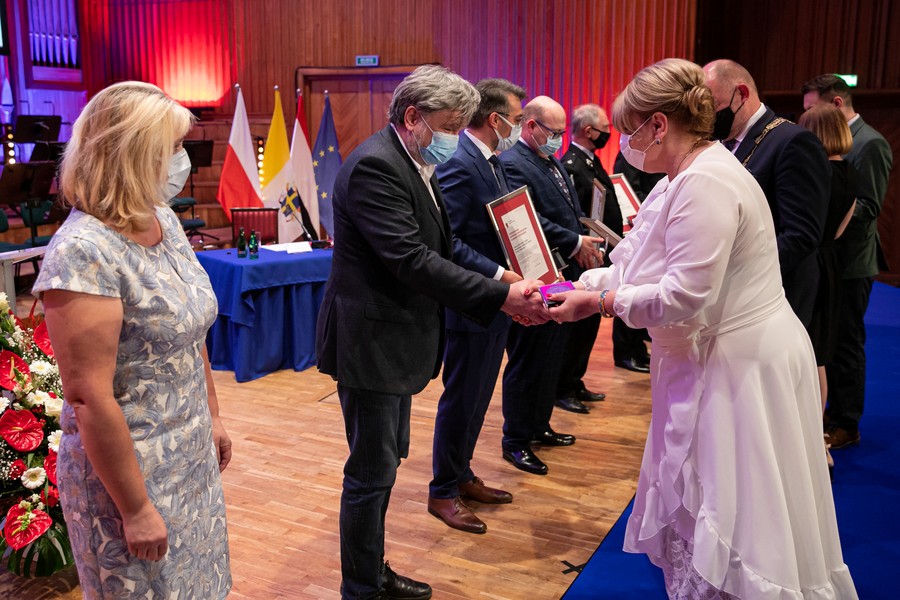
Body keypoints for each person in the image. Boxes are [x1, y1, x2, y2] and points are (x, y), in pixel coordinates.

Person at [548, 58, 857, 599]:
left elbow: (683, 295)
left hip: (738, 362)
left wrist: (597, 302)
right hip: (710, 355)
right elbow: (638, 260)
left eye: (629, 131)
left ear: (658, 125)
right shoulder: (680, 178)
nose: (626, 144)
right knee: (707, 504)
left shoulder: (705, 181)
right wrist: (568, 284)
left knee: (742, 514)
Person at [315, 65, 548, 600]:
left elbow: (446, 246)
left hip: (395, 341)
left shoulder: (416, 159)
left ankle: (371, 572)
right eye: (448, 126)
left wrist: (503, 277)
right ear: (413, 116)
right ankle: (362, 588)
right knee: (370, 473)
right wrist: (499, 298)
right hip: (371, 345)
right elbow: (411, 259)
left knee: (387, 462)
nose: (454, 137)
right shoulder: (376, 165)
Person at [34, 81, 232, 598]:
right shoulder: (82, 250)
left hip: (188, 454)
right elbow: (87, 395)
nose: (181, 160)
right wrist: (137, 508)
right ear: (133, 154)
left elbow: (189, 328)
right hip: (129, 475)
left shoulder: (161, 217)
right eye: (172, 148)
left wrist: (212, 415)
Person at [428, 78, 527, 535]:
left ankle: (463, 474)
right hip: (472, 302)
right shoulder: (458, 161)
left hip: (497, 300)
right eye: (517, 119)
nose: (519, 126)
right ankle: (443, 491)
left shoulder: (492, 160)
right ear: (495, 119)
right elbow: (448, 241)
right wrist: (501, 275)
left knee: (479, 398)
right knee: (462, 399)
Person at [498, 96, 603, 473]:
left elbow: (568, 211)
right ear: (530, 126)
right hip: (534, 273)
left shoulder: (547, 158)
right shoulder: (512, 163)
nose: (559, 139)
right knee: (528, 357)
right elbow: (529, 218)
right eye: (554, 132)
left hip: (559, 272)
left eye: (561, 132)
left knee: (551, 351)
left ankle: (538, 424)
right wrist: (574, 241)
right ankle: (515, 440)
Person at [801, 73, 894, 450]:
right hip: (828, 257)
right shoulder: (833, 142)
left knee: (846, 343)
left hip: (851, 262)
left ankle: (845, 422)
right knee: (827, 341)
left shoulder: (870, 142)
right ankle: (829, 412)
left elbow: (870, 206)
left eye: (812, 108)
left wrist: (821, 211)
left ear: (835, 103)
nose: (808, 117)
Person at [703, 59, 830, 329]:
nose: (709, 116)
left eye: (713, 105)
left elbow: (801, 234)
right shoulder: (719, 143)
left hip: (774, 290)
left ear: (742, 94)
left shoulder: (792, 141)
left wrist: (738, 273)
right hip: (731, 288)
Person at [797, 103, 858, 473]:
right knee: (819, 353)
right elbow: (840, 228)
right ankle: (818, 440)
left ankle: (811, 440)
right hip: (831, 262)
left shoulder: (814, 171)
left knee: (808, 354)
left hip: (808, 265)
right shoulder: (850, 171)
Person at [553, 103, 615, 411]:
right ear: (589, 131)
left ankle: (575, 381)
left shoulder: (588, 161)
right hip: (582, 258)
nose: (608, 133)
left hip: (596, 254)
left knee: (587, 328)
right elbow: (573, 219)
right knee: (575, 330)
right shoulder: (572, 164)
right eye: (605, 128)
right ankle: (564, 386)